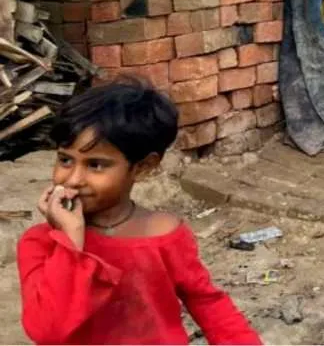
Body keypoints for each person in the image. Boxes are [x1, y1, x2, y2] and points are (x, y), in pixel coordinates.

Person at [16, 79, 262, 345]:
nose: (73, 179)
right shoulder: (40, 243)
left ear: (143, 167)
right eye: (65, 160)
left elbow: (207, 303)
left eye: (96, 165)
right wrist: (70, 240)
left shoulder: (165, 235)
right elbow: (48, 331)